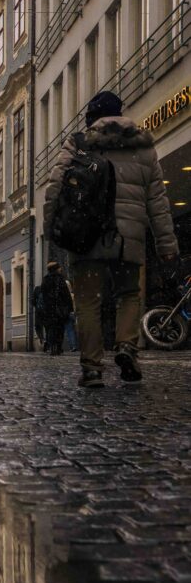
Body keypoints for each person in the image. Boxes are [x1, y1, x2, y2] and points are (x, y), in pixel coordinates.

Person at [44, 90, 179, 387]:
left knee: (88, 302)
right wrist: (166, 244)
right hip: (128, 239)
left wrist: (50, 228)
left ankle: (92, 368)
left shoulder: (79, 144)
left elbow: (55, 187)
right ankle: (127, 348)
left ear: (92, 119)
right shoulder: (144, 148)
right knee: (128, 295)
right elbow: (157, 201)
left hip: (87, 236)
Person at [40, 262, 73, 356]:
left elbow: (43, 294)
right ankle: (58, 347)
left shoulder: (45, 279)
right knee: (60, 328)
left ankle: (53, 346)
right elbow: (66, 294)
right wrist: (69, 307)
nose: (61, 269)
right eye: (59, 267)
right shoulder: (60, 278)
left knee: (51, 328)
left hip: (49, 308)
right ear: (56, 269)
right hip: (60, 308)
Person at [63, 275, 78, 352]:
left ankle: (72, 346)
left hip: (66, 313)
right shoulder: (73, 295)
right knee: (72, 330)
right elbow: (75, 305)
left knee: (68, 330)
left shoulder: (63, 296)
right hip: (72, 313)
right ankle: (74, 345)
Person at [32, 284, 47, 351]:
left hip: (38, 311)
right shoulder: (47, 289)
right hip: (47, 311)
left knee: (38, 326)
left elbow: (33, 301)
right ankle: (47, 340)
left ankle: (42, 338)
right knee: (47, 327)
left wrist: (37, 306)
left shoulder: (37, 289)